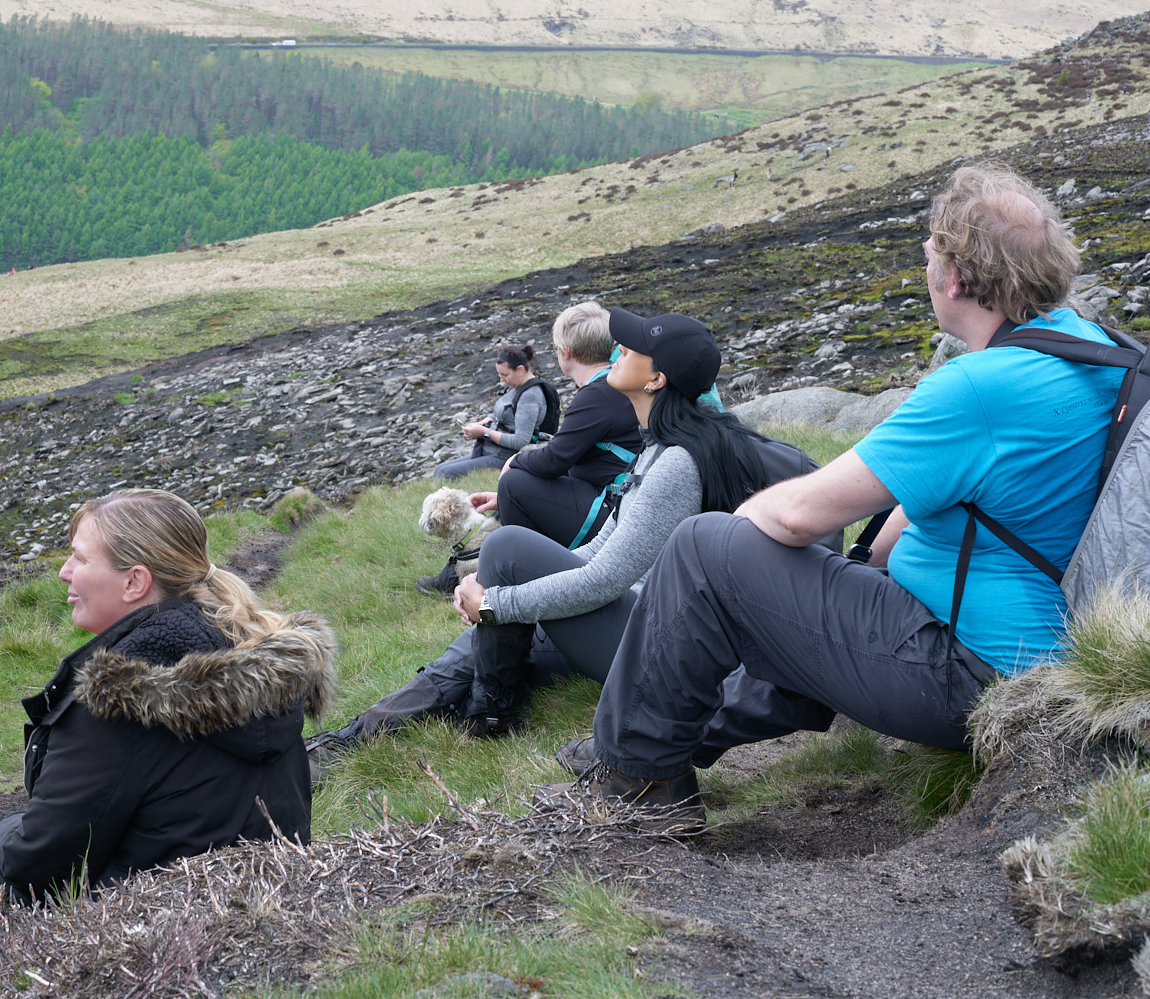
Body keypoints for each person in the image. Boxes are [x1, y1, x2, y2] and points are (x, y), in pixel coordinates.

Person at [568, 163, 1126, 832]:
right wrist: (865, 560)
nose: (927, 264)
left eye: (931, 251)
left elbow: (802, 513)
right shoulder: (1093, 347)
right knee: (840, 573)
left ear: (955, 277)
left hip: (969, 673)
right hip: (1038, 649)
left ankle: (637, 781)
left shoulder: (980, 387)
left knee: (702, 547)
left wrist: (741, 532)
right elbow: (948, 502)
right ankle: (664, 737)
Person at [309, 310, 819, 765]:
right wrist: (513, 596)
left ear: (657, 378)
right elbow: (602, 552)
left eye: (633, 348)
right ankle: (357, 737)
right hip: (636, 622)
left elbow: (604, 581)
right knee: (482, 636)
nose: (617, 350)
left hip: (655, 643)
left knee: (505, 552)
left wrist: (497, 603)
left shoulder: (676, 464)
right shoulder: (662, 446)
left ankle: (489, 710)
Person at [0, 489, 336, 921]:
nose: (64, 571)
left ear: (135, 581)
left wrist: (6, 831)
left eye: (79, 558)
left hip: (142, 927)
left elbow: (37, 872)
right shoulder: (249, 654)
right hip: (258, 903)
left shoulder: (119, 704)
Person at [416, 305, 641, 592]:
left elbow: (554, 460)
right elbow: (568, 456)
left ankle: (503, 580)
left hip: (609, 512)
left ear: (566, 351)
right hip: (614, 500)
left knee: (515, 480)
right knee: (515, 489)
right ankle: (472, 568)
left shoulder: (597, 395)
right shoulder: (611, 383)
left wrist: (514, 464)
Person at [431, 342, 557, 481]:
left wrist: (484, 432)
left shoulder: (530, 396)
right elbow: (504, 413)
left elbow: (521, 441)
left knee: (446, 474)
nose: (501, 380)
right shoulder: (516, 386)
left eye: (504, 374)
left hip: (507, 457)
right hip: (493, 451)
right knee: (440, 469)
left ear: (520, 370)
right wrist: (486, 421)